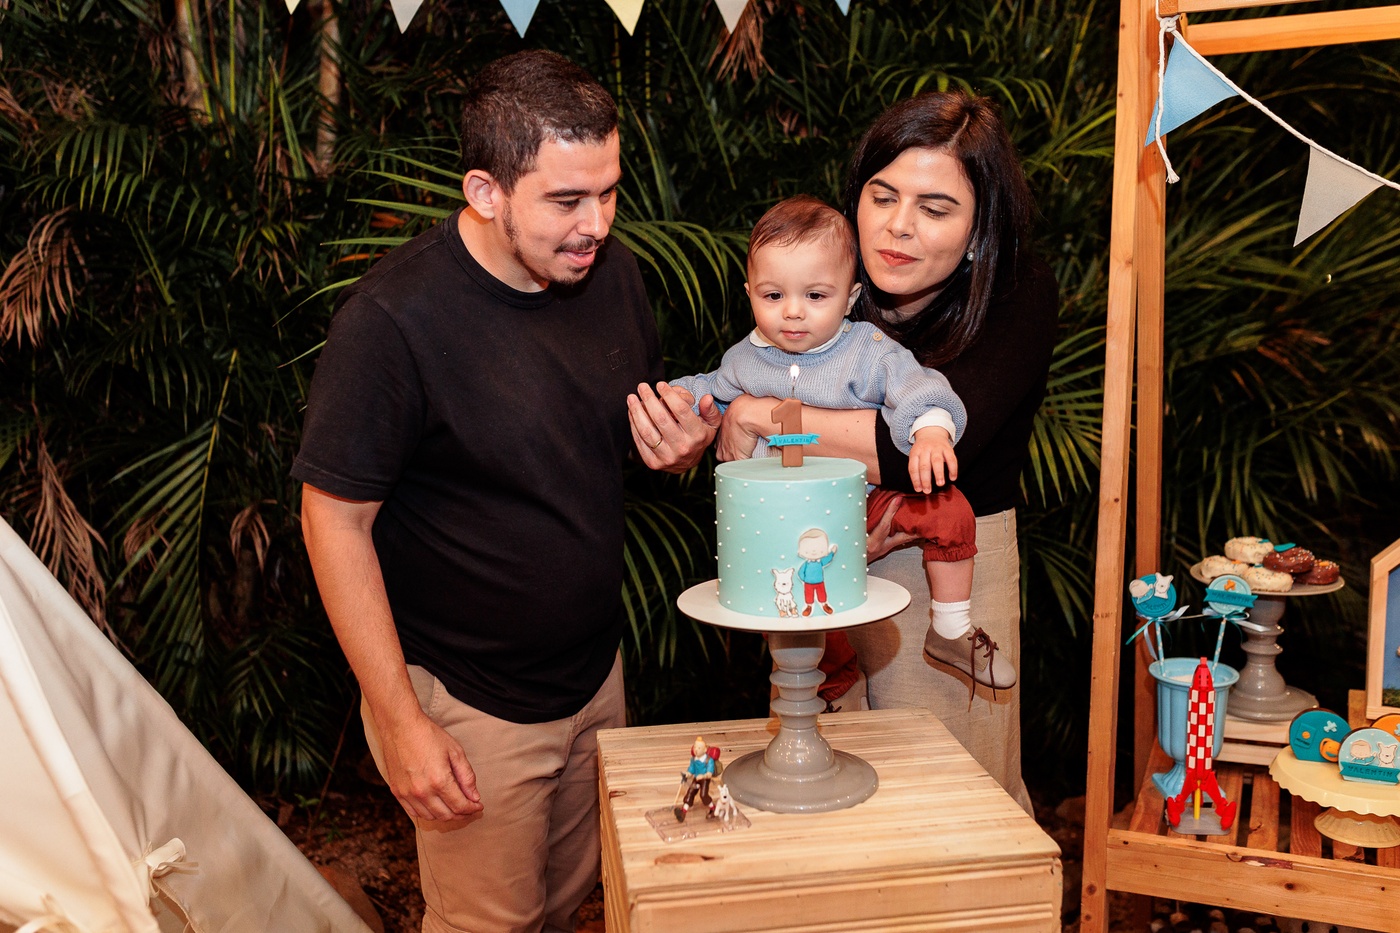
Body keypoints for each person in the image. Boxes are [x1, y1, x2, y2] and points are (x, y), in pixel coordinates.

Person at [293, 50, 710, 933]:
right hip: (468, 700)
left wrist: (675, 450)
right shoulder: (391, 322)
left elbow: (615, 441)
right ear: (486, 192)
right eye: (567, 200)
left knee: (563, 911)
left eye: (610, 192)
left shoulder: (612, 273)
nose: (596, 224)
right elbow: (333, 522)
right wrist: (400, 722)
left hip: (594, 678)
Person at [634, 91, 1056, 813]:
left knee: (948, 795)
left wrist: (760, 412)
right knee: (809, 771)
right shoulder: (816, 280)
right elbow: (727, 398)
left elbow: (902, 451)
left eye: (935, 208)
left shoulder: (1015, 293)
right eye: (882, 196)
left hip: (944, 562)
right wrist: (693, 425)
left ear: (980, 228)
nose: (898, 225)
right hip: (814, 547)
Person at [663, 195, 1013, 706]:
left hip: (860, 501)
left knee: (949, 509)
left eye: (815, 295)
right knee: (800, 606)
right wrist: (677, 399)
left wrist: (932, 432)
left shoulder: (868, 351)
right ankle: (828, 685)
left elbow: (918, 389)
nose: (793, 311)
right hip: (780, 518)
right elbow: (707, 390)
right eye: (773, 295)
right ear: (749, 294)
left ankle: (951, 626)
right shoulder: (745, 358)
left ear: (850, 298)